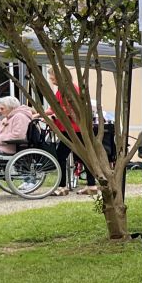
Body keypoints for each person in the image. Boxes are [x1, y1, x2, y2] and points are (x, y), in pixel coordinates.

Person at [46, 69, 98, 197]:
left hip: (74, 129)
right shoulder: (63, 90)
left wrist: (55, 116)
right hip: (72, 129)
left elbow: (70, 110)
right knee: (82, 156)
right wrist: (38, 113)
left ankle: (63, 186)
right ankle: (91, 185)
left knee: (62, 156)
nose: (51, 79)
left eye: (52, 77)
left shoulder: (69, 91)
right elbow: (55, 108)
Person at [0, 96, 37, 201]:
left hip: (9, 148)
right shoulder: (8, 117)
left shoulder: (20, 116)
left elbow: (18, 135)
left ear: (11, 107)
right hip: (1, 146)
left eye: (2, 108)